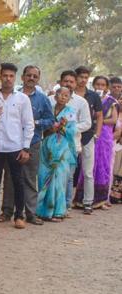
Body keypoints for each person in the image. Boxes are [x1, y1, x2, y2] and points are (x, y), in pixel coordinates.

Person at [0, 65, 54, 225]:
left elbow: (50, 120)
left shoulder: (42, 98)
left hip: (33, 143)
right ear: (22, 77)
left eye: (34, 76)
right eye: (28, 75)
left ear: (38, 79)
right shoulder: (12, 96)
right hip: (12, 144)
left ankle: (30, 214)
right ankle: (7, 212)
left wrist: (35, 122)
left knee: (30, 178)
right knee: (10, 178)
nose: (31, 78)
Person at [0, 63, 34, 229]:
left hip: (15, 147)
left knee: (17, 182)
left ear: (15, 78)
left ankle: (19, 216)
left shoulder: (22, 99)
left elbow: (29, 124)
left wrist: (25, 147)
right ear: (0, 77)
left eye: (11, 76)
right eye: (5, 75)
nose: (8, 79)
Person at [74, 76, 119, 209]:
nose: (100, 87)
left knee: (102, 165)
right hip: (89, 133)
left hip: (104, 136)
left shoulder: (111, 101)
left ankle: (101, 199)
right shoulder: (90, 98)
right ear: (93, 85)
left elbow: (114, 120)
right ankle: (82, 198)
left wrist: (99, 120)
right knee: (88, 167)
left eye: (103, 85)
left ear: (107, 87)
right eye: (97, 84)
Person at [36, 87, 78, 221]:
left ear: (69, 98)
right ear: (55, 96)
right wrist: (49, 127)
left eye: (67, 95)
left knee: (59, 179)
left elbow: (72, 131)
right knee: (43, 176)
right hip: (47, 146)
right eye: (61, 94)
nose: (63, 97)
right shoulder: (49, 109)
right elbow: (42, 124)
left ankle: (58, 211)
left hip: (62, 148)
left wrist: (62, 127)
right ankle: (43, 210)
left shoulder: (70, 112)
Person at [54, 70, 92, 212]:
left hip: (71, 145)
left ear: (75, 84)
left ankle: (66, 205)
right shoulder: (52, 100)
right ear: (60, 82)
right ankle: (53, 204)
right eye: (65, 81)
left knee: (69, 177)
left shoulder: (81, 102)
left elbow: (87, 123)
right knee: (53, 175)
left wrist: (69, 128)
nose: (68, 84)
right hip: (53, 145)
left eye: (71, 81)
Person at [72, 66, 104, 213]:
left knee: (88, 171)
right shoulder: (68, 95)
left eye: (86, 77)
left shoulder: (93, 96)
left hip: (88, 136)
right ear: (76, 77)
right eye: (81, 77)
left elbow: (99, 115)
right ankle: (66, 202)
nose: (83, 80)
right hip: (70, 137)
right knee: (69, 170)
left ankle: (88, 203)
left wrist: (96, 134)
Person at [109, 77, 122, 203]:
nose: (117, 89)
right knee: (116, 169)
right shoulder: (112, 105)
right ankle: (113, 195)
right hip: (115, 143)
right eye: (115, 86)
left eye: (119, 87)